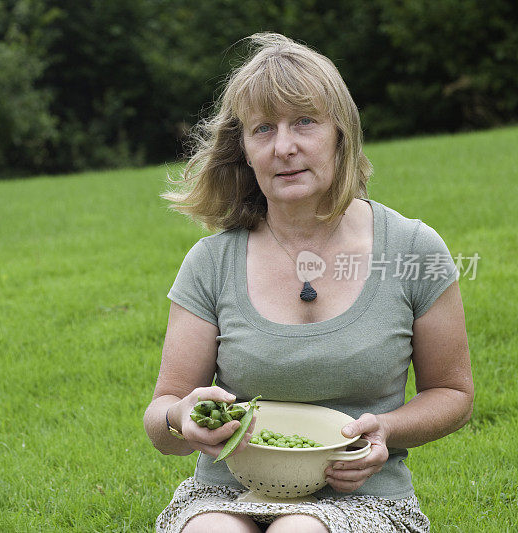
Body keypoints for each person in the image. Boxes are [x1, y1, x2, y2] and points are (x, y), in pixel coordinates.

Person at [143, 33, 474, 533]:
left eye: (304, 122)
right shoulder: (210, 262)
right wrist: (181, 418)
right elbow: (162, 415)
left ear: (340, 133)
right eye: (262, 129)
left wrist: (386, 428)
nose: (284, 147)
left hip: (363, 498)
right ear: (245, 151)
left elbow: (453, 392)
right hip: (227, 492)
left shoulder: (412, 249)